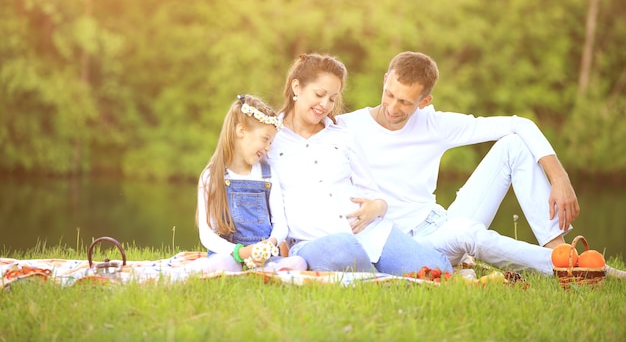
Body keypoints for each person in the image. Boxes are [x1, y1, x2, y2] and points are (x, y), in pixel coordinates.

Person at [337, 51, 625, 278]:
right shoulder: (347, 128)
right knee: (466, 234)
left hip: (440, 223)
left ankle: (558, 249)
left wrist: (559, 177)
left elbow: (518, 124)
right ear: (385, 79)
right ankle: (575, 268)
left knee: (513, 145)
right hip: (408, 245)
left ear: (424, 101)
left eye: (405, 102)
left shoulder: (434, 125)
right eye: (389, 94)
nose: (392, 107)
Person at [267, 53, 452, 275]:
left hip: (369, 233)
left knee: (437, 269)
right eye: (319, 94)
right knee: (342, 250)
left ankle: (372, 273)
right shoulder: (269, 138)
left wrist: (376, 207)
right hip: (315, 242)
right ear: (296, 87)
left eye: (333, 98)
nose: (325, 105)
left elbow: (375, 196)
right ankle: (378, 278)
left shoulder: (342, 135)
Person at [194, 94, 307, 273]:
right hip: (229, 254)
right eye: (265, 139)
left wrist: (271, 243)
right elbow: (207, 235)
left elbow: (280, 224)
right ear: (241, 131)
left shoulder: (267, 175)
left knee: (299, 262)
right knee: (224, 264)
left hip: (264, 256)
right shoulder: (212, 176)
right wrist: (240, 252)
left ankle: (262, 270)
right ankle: (242, 269)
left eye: (271, 142)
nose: (268, 148)